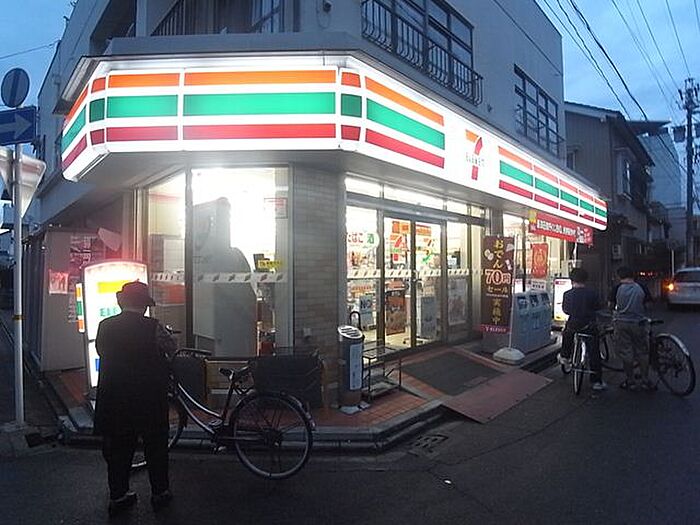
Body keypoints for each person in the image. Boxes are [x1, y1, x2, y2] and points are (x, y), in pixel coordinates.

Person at [94, 281, 177, 516]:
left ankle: (118, 496)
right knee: (155, 446)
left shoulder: (105, 326)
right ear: (144, 305)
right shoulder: (154, 327)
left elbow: (101, 351)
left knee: (119, 450)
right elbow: (172, 348)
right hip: (149, 397)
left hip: (115, 397)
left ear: (122, 302)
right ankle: (160, 493)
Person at [558, 268, 606, 391]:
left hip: (573, 324)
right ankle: (596, 381)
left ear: (572, 280)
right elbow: (598, 307)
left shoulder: (567, 294)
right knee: (594, 351)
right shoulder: (592, 293)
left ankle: (565, 356)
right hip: (588, 325)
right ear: (586, 279)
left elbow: (565, 310)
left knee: (567, 333)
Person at [609, 266, 653, 391]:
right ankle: (645, 380)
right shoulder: (641, 287)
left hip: (621, 323)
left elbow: (610, 305)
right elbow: (649, 305)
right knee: (643, 351)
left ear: (619, 276)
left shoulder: (617, 288)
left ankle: (630, 381)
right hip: (639, 323)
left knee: (626, 352)